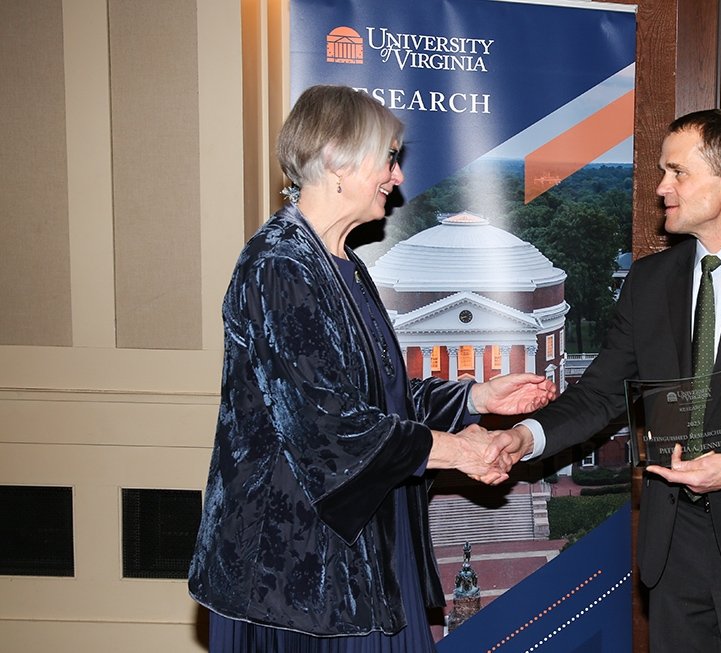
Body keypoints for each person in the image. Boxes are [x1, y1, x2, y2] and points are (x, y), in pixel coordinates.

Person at [187, 84, 555, 652]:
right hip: (298, 572)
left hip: (361, 548)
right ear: (337, 158)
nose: (397, 176)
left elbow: (375, 395)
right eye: (387, 157)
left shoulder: (342, 263)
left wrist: (477, 397)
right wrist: (461, 451)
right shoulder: (279, 266)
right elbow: (326, 428)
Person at [485, 109, 721, 652]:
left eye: (677, 172)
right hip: (674, 552)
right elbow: (598, 394)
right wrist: (525, 436)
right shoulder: (649, 282)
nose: (661, 187)